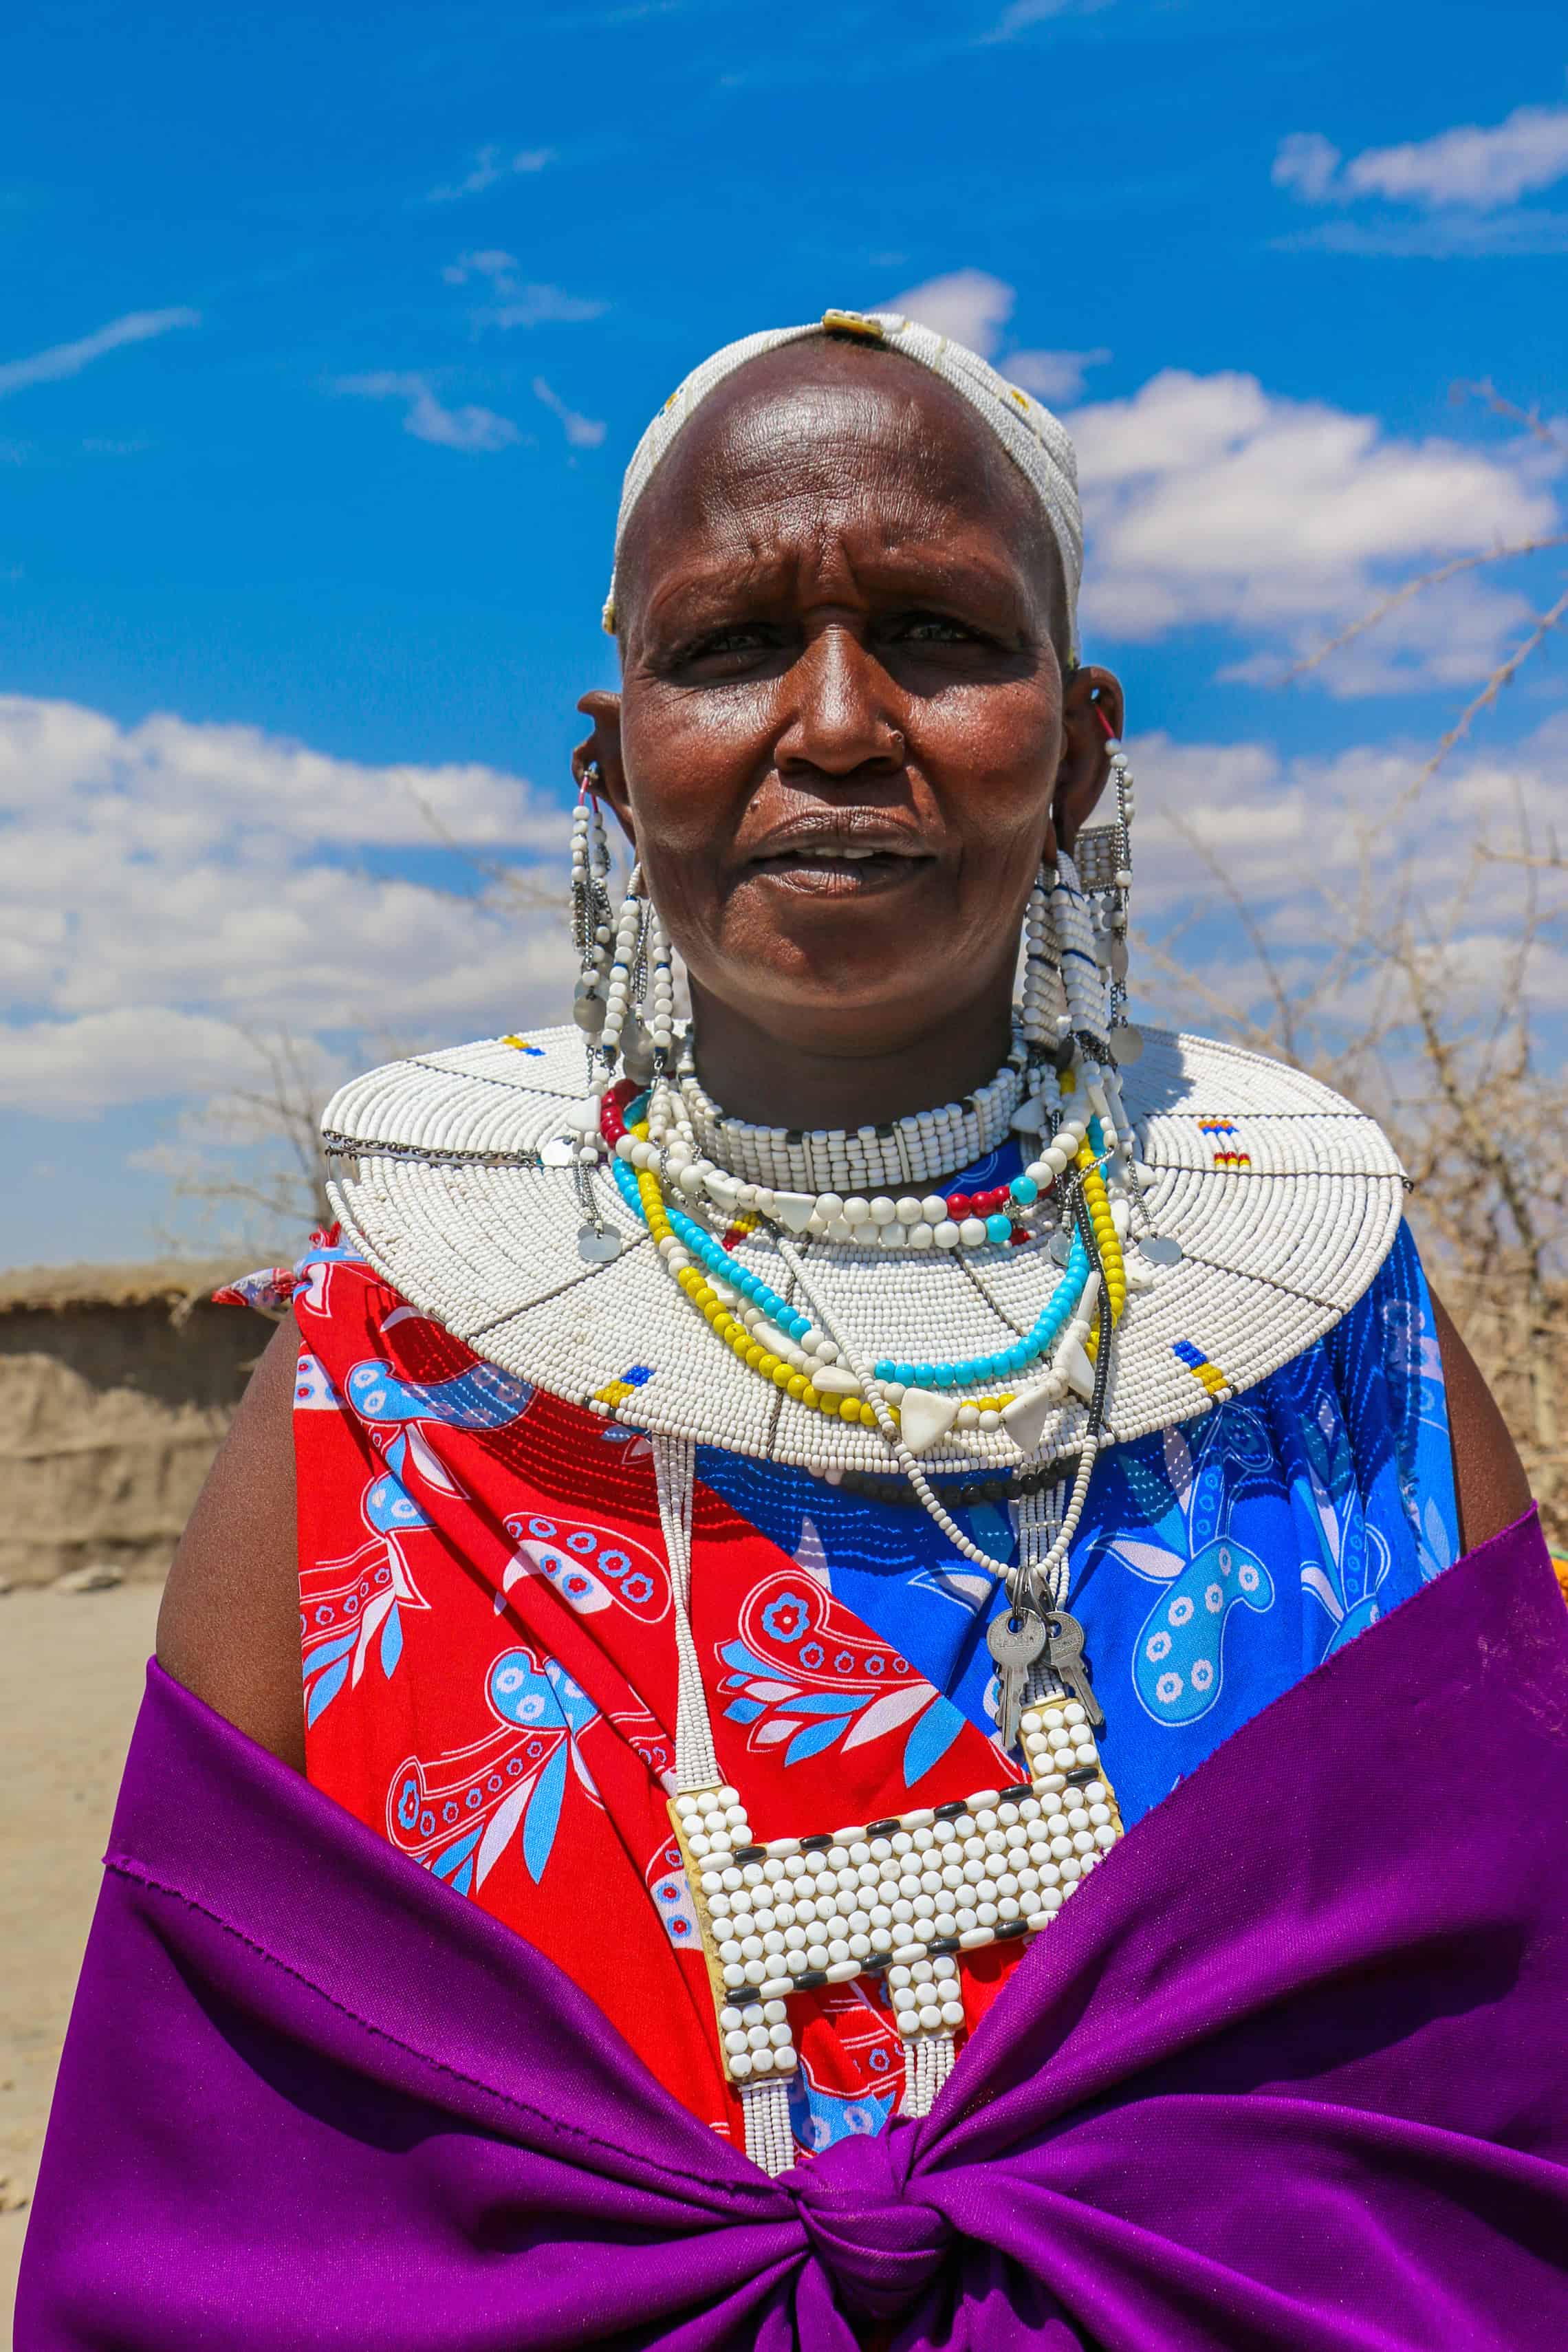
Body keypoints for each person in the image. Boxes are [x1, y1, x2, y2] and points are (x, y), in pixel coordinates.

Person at [19, 310, 1568, 2352]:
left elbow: (1509, 2100)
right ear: (613, 758)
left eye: (936, 630)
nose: (837, 720)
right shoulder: (381, 1401)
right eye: (733, 644)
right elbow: (223, 2211)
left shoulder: (1335, 1345)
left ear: (1086, 741)